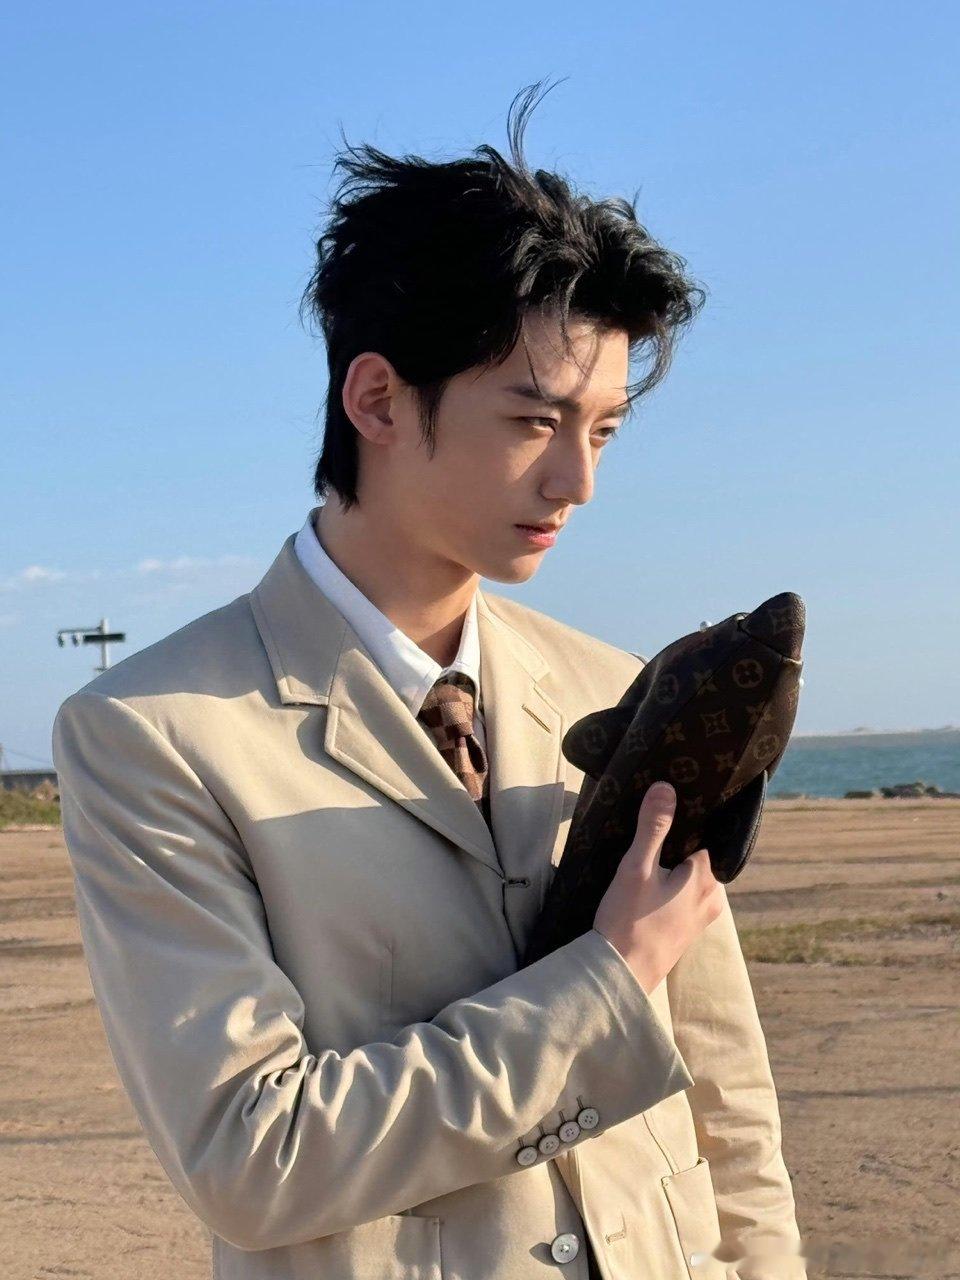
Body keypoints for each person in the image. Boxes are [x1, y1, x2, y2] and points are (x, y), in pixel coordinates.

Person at [52, 80, 807, 1280]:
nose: (577, 481)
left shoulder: (620, 685)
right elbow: (252, 1155)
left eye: (604, 429)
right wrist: (603, 982)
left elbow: (725, 1092)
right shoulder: (153, 731)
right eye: (533, 420)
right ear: (378, 398)